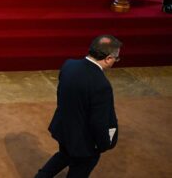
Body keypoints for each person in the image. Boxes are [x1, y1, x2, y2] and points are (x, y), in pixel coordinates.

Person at [36, 35, 121, 178]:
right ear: (108, 58)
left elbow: (61, 97)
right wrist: (104, 144)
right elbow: (98, 122)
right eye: (116, 58)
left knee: (63, 155)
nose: (116, 61)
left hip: (64, 130)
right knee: (79, 170)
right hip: (85, 144)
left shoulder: (69, 65)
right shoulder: (101, 85)